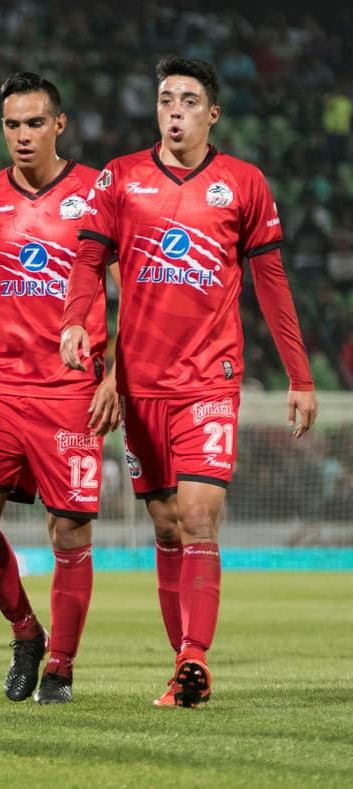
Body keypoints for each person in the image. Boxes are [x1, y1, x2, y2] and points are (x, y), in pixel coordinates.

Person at [61, 56, 317, 708]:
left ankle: (193, 660)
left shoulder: (244, 184)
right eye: (166, 99)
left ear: (213, 113)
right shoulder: (120, 178)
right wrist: (77, 330)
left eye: (189, 100)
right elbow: (89, 260)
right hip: (141, 384)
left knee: (200, 516)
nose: (175, 110)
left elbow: (272, 283)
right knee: (168, 527)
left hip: (211, 377)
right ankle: (183, 665)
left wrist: (300, 375)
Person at [0, 72, 119, 705]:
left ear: (60, 124)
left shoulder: (100, 192)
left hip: (71, 389)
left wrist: (116, 375)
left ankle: (61, 669)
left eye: (35, 123)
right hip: (1, 389)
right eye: (13, 124)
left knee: (69, 532)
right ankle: (25, 629)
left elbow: (134, 290)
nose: (23, 135)